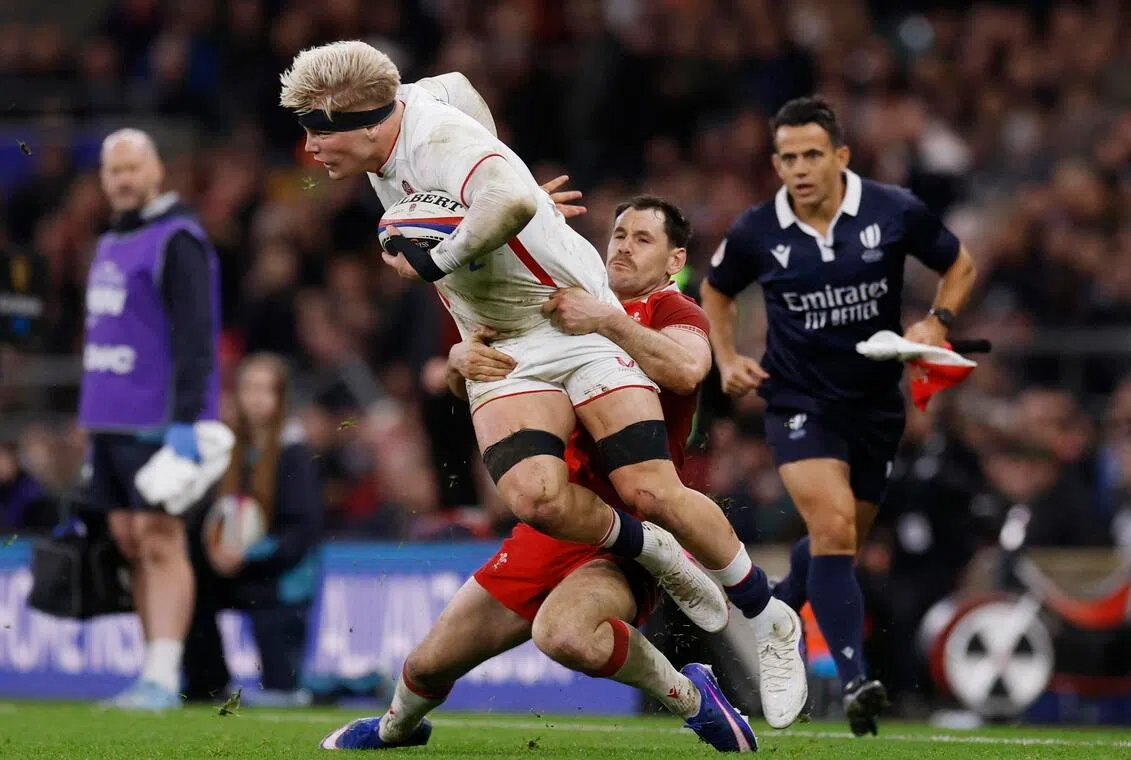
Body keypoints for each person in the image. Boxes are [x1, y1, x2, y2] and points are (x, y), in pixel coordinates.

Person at [279, 43, 804, 723]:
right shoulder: (409, 110)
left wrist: (451, 245)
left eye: (319, 131)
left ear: (366, 123)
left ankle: (767, 615)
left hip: (569, 315)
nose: (311, 147)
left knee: (651, 490)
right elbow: (462, 88)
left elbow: (502, 198)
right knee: (531, 496)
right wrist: (501, 179)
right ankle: (652, 555)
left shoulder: (436, 142)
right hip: (508, 341)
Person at [321, 195, 755, 752]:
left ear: (675, 260)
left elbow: (689, 368)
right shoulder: (562, 304)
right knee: (427, 666)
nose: (623, 245)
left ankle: (693, 697)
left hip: (626, 531)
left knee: (565, 635)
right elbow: (484, 376)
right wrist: (458, 363)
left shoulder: (675, 313)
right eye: (618, 234)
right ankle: (393, 729)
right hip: (553, 522)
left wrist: (608, 321)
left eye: (642, 239)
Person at [700, 96, 978, 736]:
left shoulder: (893, 209)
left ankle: (768, 619)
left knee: (839, 540)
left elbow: (958, 266)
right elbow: (715, 289)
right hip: (798, 402)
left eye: (812, 155)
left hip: (878, 408)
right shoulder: (756, 229)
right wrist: (727, 355)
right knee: (830, 525)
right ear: (776, 163)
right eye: (788, 157)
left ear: (841, 157)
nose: (799, 168)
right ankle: (855, 680)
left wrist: (938, 319)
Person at [79, 129, 221, 710]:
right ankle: (150, 670)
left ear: (157, 171)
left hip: (157, 418)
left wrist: (190, 418)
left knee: (160, 540)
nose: (124, 179)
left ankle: (164, 674)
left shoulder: (177, 238)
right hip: (107, 420)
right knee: (129, 540)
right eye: (114, 171)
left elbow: (196, 336)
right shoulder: (110, 239)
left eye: (133, 168)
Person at [182, 353, 322, 706]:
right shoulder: (225, 450)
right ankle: (207, 683)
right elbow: (204, 516)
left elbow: (300, 534)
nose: (257, 398)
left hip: (281, 578)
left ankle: (359, 685)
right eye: (249, 388)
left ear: (280, 398)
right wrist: (214, 552)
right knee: (190, 588)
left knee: (283, 691)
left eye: (266, 389)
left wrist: (245, 555)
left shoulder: (293, 453)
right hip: (236, 571)